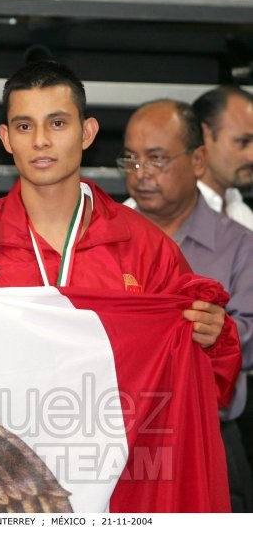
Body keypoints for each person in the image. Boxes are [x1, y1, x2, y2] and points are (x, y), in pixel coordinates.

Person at [0, 60, 238, 395]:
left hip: (115, 443)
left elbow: (207, 384)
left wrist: (215, 340)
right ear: (6, 138)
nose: (41, 141)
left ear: (87, 132)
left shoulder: (146, 246)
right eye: (24, 126)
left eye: (57, 123)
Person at [122, 99, 253, 512]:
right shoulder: (103, 240)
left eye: (156, 159)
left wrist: (218, 334)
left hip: (209, 435)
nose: (140, 174)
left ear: (198, 161)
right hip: (121, 441)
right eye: (131, 160)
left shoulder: (240, 244)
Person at [191, 85, 253, 230]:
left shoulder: (242, 214)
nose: (251, 157)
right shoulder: (150, 218)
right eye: (243, 142)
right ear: (205, 135)